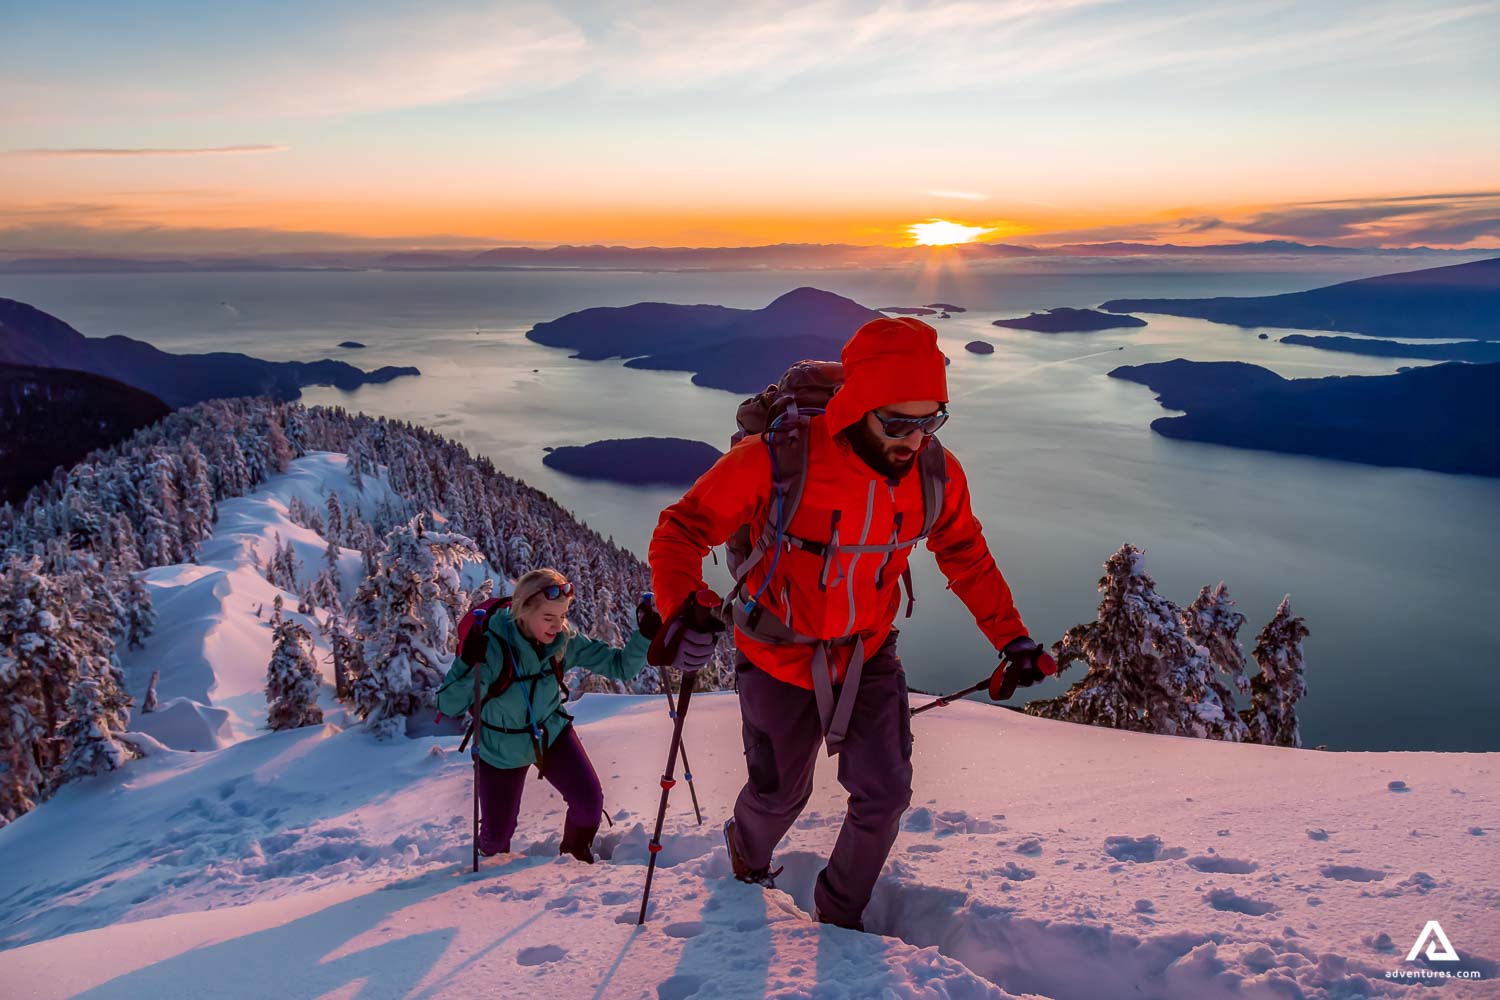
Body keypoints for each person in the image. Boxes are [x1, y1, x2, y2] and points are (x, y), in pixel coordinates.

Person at [647, 316, 1054, 930]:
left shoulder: (934, 476)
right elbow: (682, 529)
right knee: (780, 795)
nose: (915, 440)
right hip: (776, 655)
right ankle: (746, 856)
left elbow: (963, 550)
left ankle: (839, 919)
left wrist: (1012, 638)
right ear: (858, 408)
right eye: (897, 422)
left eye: (931, 420)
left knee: (884, 793)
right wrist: (684, 604)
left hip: (867, 654)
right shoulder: (776, 461)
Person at [435, 568, 661, 863]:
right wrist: (467, 663)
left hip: (550, 733)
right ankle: (490, 874)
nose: (558, 626)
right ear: (523, 612)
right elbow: (448, 705)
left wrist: (644, 637)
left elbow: (619, 667)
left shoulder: (563, 640)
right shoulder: (492, 647)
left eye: (563, 616)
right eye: (548, 618)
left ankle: (574, 860)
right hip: (502, 748)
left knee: (589, 803)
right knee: (496, 837)